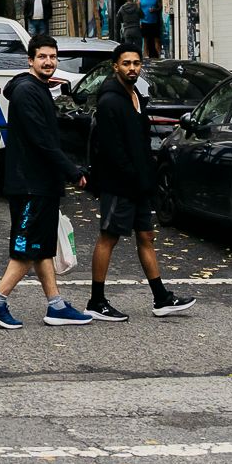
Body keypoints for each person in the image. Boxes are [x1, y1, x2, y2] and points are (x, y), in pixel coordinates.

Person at [0, 35, 92, 328]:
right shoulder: (28, 92)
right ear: (30, 60)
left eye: (53, 57)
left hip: (39, 183)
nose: (49, 62)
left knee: (41, 247)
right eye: (42, 57)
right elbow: (41, 140)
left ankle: (56, 305)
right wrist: (72, 170)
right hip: (31, 183)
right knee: (28, 247)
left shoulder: (38, 88)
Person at [83, 47, 197, 323]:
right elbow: (112, 149)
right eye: (126, 64)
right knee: (108, 237)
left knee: (146, 237)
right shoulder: (111, 101)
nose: (132, 68)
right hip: (119, 185)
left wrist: (147, 177)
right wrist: (133, 177)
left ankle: (161, 298)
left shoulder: (134, 96)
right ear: (115, 67)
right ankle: (95, 301)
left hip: (139, 185)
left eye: (136, 63)